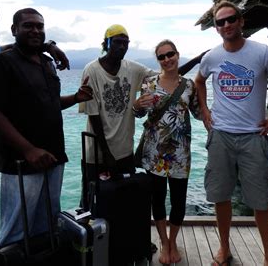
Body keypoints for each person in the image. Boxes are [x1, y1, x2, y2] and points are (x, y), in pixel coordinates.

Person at [194, 0, 268, 266]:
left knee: (261, 200)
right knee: (221, 196)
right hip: (220, 136)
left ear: (241, 21)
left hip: (253, 137)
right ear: (216, 28)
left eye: (231, 19)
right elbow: (198, 82)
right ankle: (223, 248)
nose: (226, 25)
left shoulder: (262, 53)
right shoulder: (212, 57)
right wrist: (205, 110)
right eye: (220, 22)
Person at [0, 8, 93, 246]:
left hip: (54, 155)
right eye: (28, 25)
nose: (35, 30)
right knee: (16, 228)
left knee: (47, 224)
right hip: (21, 162)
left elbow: (51, 103)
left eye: (40, 26)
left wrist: (75, 98)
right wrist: (28, 150)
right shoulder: (3, 62)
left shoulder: (47, 63)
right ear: (14, 30)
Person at [80, 24, 203, 179]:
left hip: (124, 152)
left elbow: (167, 76)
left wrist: (197, 60)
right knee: (95, 199)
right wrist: (106, 154)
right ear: (107, 43)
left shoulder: (133, 69)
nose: (122, 46)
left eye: (126, 43)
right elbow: (93, 114)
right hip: (97, 154)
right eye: (117, 42)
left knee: (125, 197)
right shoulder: (91, 71)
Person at [133, 39, 201, 264]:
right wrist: (136, 106)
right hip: (155, 153)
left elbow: (199, 114)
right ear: (158, 60)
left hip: (181, 153)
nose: (167, 59)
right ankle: (164, 242)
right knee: (158, 199)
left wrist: (206, 95)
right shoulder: (149, 83)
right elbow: (138, 114)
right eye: (161, 57)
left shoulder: (189, 85)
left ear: (177, 54)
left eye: (170, 54)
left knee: (179, 201)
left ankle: (173, 240)